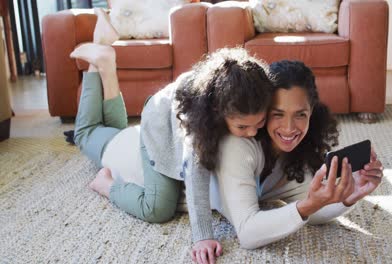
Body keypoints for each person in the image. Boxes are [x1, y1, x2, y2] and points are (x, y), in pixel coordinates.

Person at [69, 9, 273, 264]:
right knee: (158, 206)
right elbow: (195, 171)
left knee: (116, 130)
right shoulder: (198, 120)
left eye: (259, 123)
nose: (252, 133)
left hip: (164, 110)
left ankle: (106, 62)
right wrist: (203, 236)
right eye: (243, 128)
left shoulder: (247, 94)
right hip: (156, 126)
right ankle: (105, 184)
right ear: (219, 112)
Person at [209, 60, 384, 249]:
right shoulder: (238, 144)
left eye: (300, 114)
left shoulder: (296, 153)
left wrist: (352, 193)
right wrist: (307, 205)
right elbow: (248, 233)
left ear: (311, 112)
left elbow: (315, 209)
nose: (289, 128)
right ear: (263, 111)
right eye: (278, 114)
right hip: (180, 189)